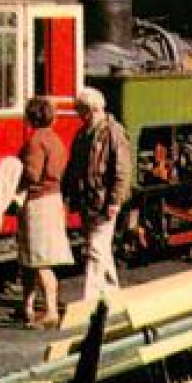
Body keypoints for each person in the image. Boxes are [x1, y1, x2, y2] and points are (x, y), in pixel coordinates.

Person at [63, 86, 132, 302]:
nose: (79, 116)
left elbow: (122, 169)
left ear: (91, 110)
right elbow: (73, 166)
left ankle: (89, 299)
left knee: (95, 249)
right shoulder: (83, 133)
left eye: (81, 111)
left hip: (104, 201)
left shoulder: (114, 132)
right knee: (101, 250)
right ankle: (113, 293)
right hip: (89, 200)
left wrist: (115, 201)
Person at [16, 96, 74, 327]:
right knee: (31, 259)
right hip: (53, 199)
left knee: (39, 259)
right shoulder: (55, 140)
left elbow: (32, 174)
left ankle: (50, 311)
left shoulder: (35, 141)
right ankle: (26, 307)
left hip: (38, 202)